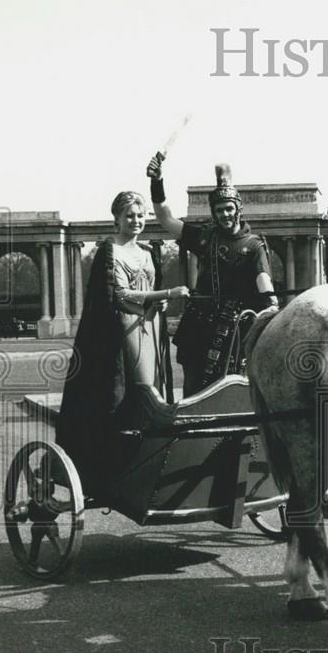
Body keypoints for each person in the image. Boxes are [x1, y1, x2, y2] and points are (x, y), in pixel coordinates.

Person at [55, 191, 190, 493]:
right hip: (123, 330)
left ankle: (148, 463)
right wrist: (166, 295)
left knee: (153, 392)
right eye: (130, 215)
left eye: (141, 215)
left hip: (151, 328)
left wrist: (160, 305)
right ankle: (122, 462)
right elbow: (118, 295)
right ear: (116, 218)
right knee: (140, 394)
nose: (137, 220)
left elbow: (150, 291)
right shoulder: (109, 250)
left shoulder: (147, 252)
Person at [146, 155, 278, 396]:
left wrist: (271, 305)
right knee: (194, 391)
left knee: (232, 392)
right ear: (214, 213)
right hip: (199, 327)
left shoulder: (255, 245)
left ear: (238, 208)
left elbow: (263, 280)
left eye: (229, 208)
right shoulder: (205, 237)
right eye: (219, 210)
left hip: (235, 330)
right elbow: (165, 218)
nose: (225, 214)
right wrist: (157, 181)